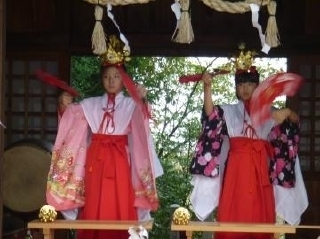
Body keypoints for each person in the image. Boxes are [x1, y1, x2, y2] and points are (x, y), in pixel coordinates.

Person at [46, 35, 163, 239]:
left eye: (116, 76)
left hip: (120, 161)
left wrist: (142, 100)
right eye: (107, 76)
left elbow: (142, 122)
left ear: (123, 79)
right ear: (102, 79)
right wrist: (65, 106)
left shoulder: (130, 105)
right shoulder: (89, 104)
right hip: (95, 162)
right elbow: (73, 124)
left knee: (122, 201)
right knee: (94, 201)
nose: (111, 81)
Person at [189, 49, 308, 239]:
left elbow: (294, 122)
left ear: (258, 86)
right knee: (233, 214)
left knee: (260, 217)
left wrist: (286, 112)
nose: (245, 88)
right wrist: (207, 88)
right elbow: (211, 116)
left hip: (260, 169)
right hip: (236, 170)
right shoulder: (229, 111)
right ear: (236, 88)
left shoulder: (269, 110)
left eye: (250, 83)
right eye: (241, 84)